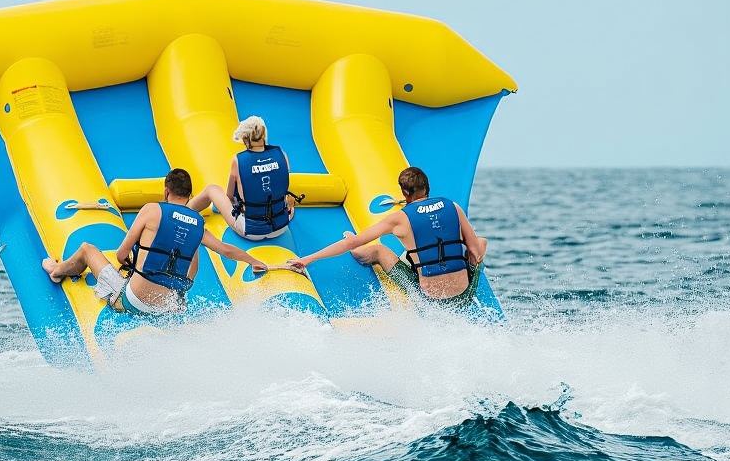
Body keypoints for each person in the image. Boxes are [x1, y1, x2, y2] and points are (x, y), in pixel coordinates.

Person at [43, 168, 268, 315]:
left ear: (166, 191)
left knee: (87, 249)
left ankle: (57, 270)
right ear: (190, 195)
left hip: (135, 301)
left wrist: (132, 266)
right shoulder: (198, 223)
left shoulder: (152, 210)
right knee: (190, 251)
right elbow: (226, 250)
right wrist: (254, 261)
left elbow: (121, 254)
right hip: (171, 308)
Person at [286, 166, 489, 306]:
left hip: (430, 300)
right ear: (427, 187)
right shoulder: (452, 206)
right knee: (481, 241)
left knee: (376, 250)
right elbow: (474, 250)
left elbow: (355, 242)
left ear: (404, 192)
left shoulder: (399, 219)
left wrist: (308, 259)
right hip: (464, 295)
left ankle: (358, 248)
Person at [187, 116, 299, 241]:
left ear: (245, 138)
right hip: (281, 227)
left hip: (250, 230)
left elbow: (229, 196)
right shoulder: (282, 154)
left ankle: (183, 211)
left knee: (212, 189)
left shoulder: (238, 160)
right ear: (263, 134)